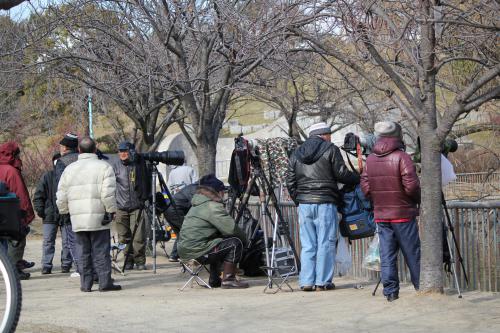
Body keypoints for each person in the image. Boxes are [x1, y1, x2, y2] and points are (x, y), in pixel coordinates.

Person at [287, 122, 360, 291]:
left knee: (308, 244)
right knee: (326, 242)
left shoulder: (296, 153)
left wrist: (298, 200)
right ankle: (322, 281)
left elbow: (290, 181)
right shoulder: (330, 149)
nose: (330, 138)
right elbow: (341, 174)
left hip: (304, 204)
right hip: (326, 202)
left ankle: (306, 281)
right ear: (324, 134)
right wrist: (358, 178)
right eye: (329, 134)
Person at [360, 121, 421, 302]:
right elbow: (411, 186)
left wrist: (377, 198)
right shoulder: (402, 157)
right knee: (413, 253)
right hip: (402, 213)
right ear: (397, 136)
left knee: (386, 255)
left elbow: (364, 186)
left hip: (382, 214)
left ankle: (391, 293)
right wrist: (416, 200)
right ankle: (421, 287)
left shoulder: (370, 159)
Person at [56, 137, 121, 292]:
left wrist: (64, 211)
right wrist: (111, 210)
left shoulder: (69, 169)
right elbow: (108, 194)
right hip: (98, 216)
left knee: (82, 251)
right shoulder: (104, 167)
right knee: (101, 251)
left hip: (77, 217)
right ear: (95, 149)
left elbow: (61, 194)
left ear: (79, 150)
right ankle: (105, 283)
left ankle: (86, 284)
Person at [177, 175, 249, 289]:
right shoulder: (212, 206)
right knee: (235, 243)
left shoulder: (196, 205)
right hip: (197, 251)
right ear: (218, 192)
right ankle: (228, 280)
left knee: (217, 242)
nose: (224, 194)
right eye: (223, 191)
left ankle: (215, 279)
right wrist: (246, 241)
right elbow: (232, 229)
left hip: (184, 250)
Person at [33, 152, 74, 274]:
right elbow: (38, 196)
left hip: (66, 214)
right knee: (48, 241)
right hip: (50, 215)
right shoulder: (47, 176)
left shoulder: (68, 176)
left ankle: (66, 264)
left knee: (67, 241)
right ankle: (46, 265)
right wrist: (42, 212)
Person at [0, 141, 35, 280]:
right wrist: (26, 215)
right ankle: (14, 270)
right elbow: (20, 194)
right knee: (16, 241)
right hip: (10, 213)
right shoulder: (11, 171)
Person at [110, 141, 146, 270]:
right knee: (123, 238)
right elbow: (110, 188)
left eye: (125, 151)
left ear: (131, 152)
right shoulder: (114, 167)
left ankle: (140, 261)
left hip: (137, 207)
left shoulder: (138, 166)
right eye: (120, 151)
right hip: (120, 207)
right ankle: (128, 261)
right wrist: (112, 208)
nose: (122, 153)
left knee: (139, 237)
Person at [55, 132, 80, 275]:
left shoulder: (62, 162)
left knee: (73, 239)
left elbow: (60, 187)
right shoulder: (83, 159)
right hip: (86, 205)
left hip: (71, 207)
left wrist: (62, 209)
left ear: (65, 148)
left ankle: (79, 267)